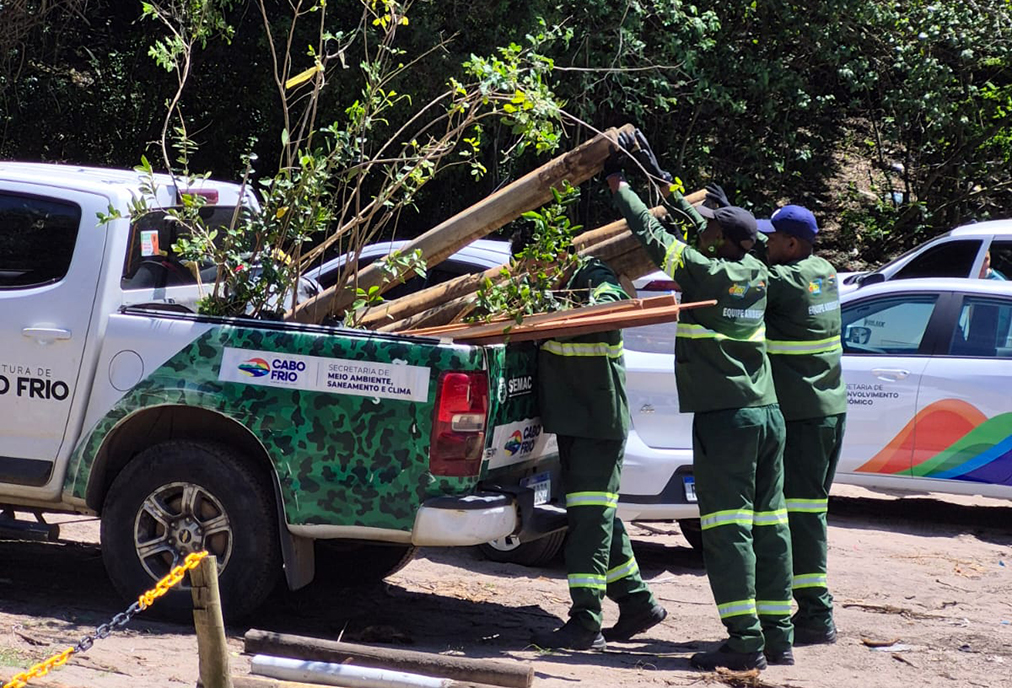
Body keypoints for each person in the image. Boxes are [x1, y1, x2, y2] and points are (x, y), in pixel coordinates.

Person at [606, 130, 792, 670]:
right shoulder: (756, 271)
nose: (704, 231)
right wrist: (677, 195)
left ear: (719, 242)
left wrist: (622, 188)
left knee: (726, 528)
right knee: (769, 523)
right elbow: (709, 236)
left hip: (726, 420)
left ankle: (744, 641)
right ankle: (779, 637)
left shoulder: (701, 270)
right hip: (767, 414)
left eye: (709, 228)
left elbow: (650, 234)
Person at [524, 232, 666, 651]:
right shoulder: (552, 285)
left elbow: (610, 307)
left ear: (553, 254)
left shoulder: (594, 274)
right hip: (576, 422)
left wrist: (550, 307)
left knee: (588, 522)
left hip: (596, 424)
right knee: (596, 517)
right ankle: (639, 602)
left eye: (535, 264)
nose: (531, 274)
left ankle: (585, 621)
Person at [755, 206, 848, 646]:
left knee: (804, 515)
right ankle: (811, 609)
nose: (765, 243)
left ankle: (816, 614)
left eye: (772, 238)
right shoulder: (822, 270)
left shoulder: (787, 281)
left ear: (792, 244)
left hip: (806, 417)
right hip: (827, 410)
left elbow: (736, 269)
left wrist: (707, 222)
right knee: (809, 512)